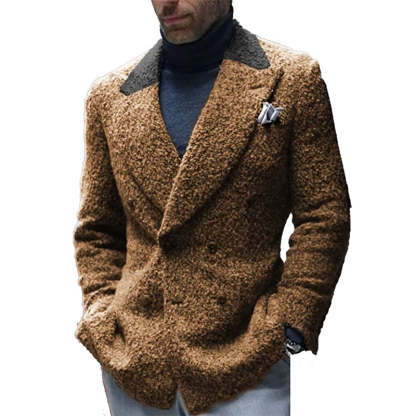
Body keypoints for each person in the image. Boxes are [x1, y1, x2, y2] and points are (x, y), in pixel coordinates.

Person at [73, 0, 351, 415]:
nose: (167, 3)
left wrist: (292, 320)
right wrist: (101, 317)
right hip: (135, 363)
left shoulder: (292, 80)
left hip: (246, 356)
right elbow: (97, 228)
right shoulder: (109, 97)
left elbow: (324, 212)